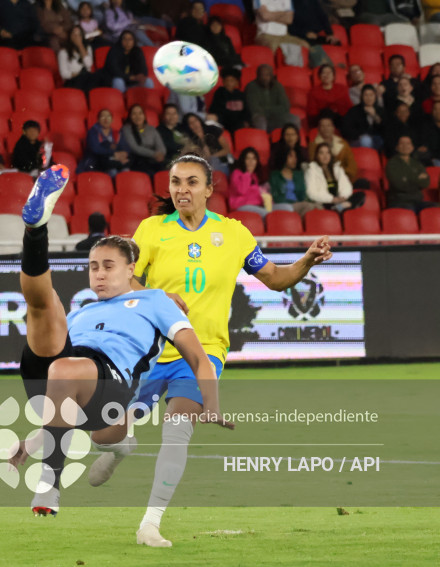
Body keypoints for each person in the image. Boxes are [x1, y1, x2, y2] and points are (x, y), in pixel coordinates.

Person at [86, 153, 333, 547]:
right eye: (176, 182)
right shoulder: (151, 230)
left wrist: (305, 259)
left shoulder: (234, 233)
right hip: (150, 350)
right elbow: (124, 280)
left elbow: (274, 278)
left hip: (204, 352)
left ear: (209, 189)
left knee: (176, 433)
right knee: (105, 432)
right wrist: (158, 295)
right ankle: (119, 449)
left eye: (191, 182)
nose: (182, 190)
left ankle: (150, 524)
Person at [10, 164, 232, 518]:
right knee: (45, 304)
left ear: (131, 271)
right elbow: (59, 393)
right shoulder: (83, 309)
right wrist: (31, 440)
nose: (99, 273)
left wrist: (212, 403)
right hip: (61, 376)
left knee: (75, 382)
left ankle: (51, 482)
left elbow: (198, 357)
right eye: (94, 266)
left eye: (109, 266)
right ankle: (35, 230)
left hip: (110, 383)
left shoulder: (157, 300)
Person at [385, 135, 437, 212]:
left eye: (408, 143)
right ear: (397, 147)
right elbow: (399, 185)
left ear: (412, 147)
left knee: (436, 208)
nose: (405, 146)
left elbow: (426, 183)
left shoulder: (417, 163)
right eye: (402, 143)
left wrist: (407, 178)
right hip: (399, 201)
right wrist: (417, 178)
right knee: (409, 211)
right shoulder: (392, 163)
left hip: (417, 201)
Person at [305, 142, 362, 211]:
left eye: (327, 153)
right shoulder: (311, 170)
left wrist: (342, 197)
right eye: (321, 153)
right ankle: (343, 207)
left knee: (360, 194)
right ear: (317, 156)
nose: (325, 156)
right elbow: (311, 193)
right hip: (325, 202)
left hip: (339, 200)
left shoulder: (337, 169)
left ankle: (341, 207)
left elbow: (347, 185)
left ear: (331, 155)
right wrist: (332, 199)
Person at [245, 64, 299, 131]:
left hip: (277, 117)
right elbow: (254, 108)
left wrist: (267, 110)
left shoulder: (278, 86)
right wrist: (274, 110)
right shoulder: (251, 87)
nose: (264, 78)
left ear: (271, 76)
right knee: (260, 121)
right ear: (257, 76)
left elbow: (285, 106)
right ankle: (262, 140)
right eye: (262, 75)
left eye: (267, 75)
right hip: (260, 117)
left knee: (294, 119)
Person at [307, 114, 358, 182]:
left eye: (328, 125)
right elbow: (314, 165)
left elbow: (352, 165)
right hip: (323, 179)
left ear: (333, 128)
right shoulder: (313, 146)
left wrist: (341, 174)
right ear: (318, 129)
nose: (326, 128)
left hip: (343, 178)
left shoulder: (343, 143)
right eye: (323, 126)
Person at [79, 109, 130, 176]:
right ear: (98, 120)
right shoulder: (93, 132)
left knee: (126, 170)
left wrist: (124, 154)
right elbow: (96, 149)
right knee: (113, 171)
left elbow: (125, 147)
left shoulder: (116, 133)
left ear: (112, 120)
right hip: (96, 163)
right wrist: (114, 153)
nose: (106, 119)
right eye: (103, 117)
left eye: (108, 117)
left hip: (113, 162)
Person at [269, 147, 319, 215]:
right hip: (283, 205)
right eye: (291, 156)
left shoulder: (298, 175)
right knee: (309, 206)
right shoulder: (275, 175)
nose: (294, 159)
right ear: (284, 157)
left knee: (318, 206)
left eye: (295, 156)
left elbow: (302, 194)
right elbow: (276, 197)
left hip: (298, 204)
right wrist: (294, 202)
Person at [121, 105, 167, 176]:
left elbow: (161, 146)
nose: (137, 116)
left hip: (154, 159)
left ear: (144, 116)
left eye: (140, 113)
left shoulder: (151, 129)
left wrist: (160, 154)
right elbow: (134, 148)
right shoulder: (126, 129)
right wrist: (154, 154)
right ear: (130, 116)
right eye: (134, 114)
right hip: (138, 160)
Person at [228, 147, 270, 217]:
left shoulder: (255, 176)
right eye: (248, 158)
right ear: (243, 160)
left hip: (255, 205)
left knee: (276, 213)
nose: (251, 161)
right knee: (268, 216)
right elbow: (242, 191)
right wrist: (247, 173)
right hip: (240, 206)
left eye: (254, 158)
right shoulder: (236, 173)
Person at [207, 68, 250, 134]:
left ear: (236, 83)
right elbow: (215, 109)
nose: (229, 83)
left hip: (238, 123)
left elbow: (246, 111)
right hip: (224, 121)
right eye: (227, 81)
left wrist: (245, 120)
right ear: (223, 82)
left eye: (232, 81)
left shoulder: (241, 95)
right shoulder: (219, 93)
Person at [343, 84, 385, 150]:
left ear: (375, 96)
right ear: (362, 97)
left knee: (381, 140)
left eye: (371, 95)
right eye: (366, 95)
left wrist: (374, 116)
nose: (369, 98)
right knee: (366, 139)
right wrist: (360, 135)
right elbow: (346, 129)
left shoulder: (381, 110)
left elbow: (386, 129)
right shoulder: (354, 110)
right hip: (358, 140)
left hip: (376, 139)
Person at [58, 25, 99, 92]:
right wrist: (79, 74)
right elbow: (64, 74)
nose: (77, 37)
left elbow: (89, 64)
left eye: (79, 35)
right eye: (74, 34)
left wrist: (80, 46)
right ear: (70, 36)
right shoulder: (63, 52)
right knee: (83, 77)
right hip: (72, 81)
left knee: (97, 76)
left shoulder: (87, 48)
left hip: (87, 79)